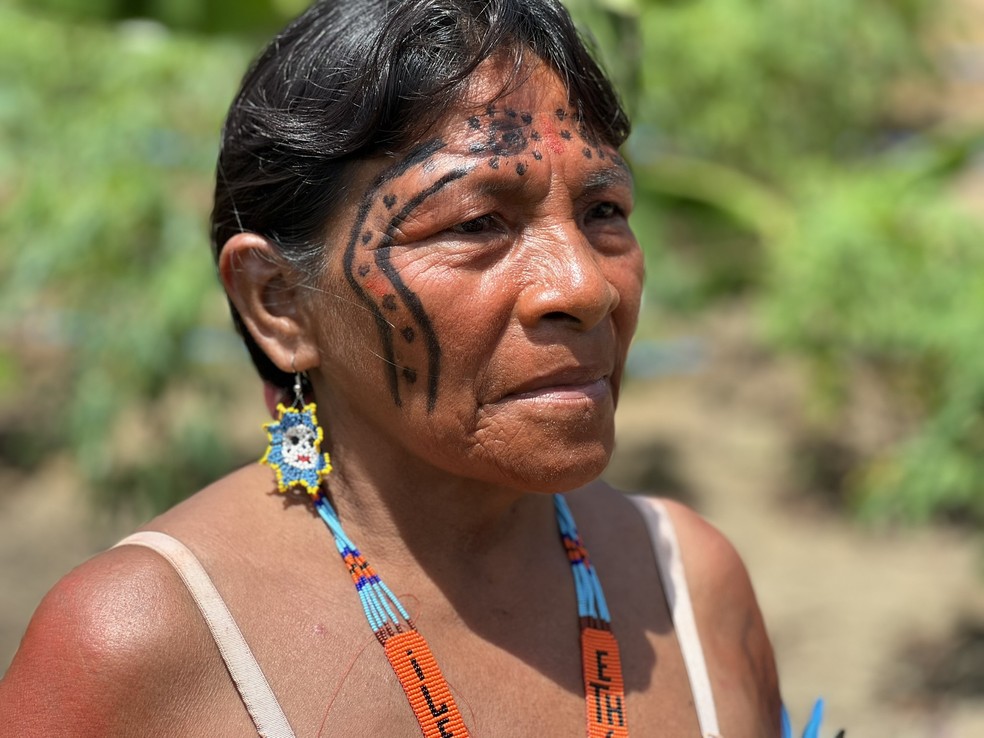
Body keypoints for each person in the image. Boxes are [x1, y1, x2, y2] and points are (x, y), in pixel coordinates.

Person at [0, 0, 784, 735]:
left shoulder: (689, 589)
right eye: (477, 223)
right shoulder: (144, 644)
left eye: (603, 211)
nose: (584, 287)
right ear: (278, 302)